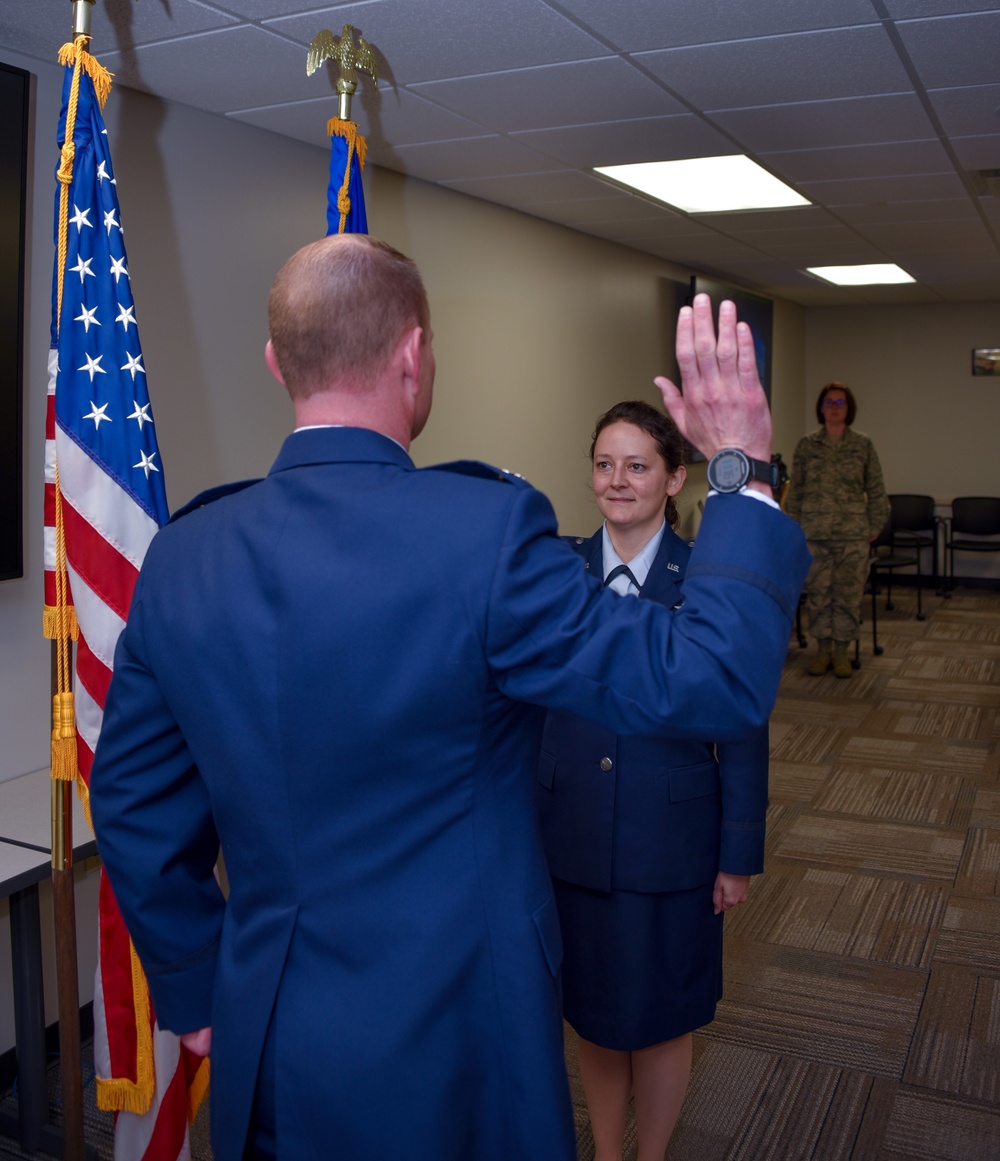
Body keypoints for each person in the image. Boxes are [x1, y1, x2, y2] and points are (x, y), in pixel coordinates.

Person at [89, 233, 810, 1161]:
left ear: (276, 363)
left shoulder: (184, 554)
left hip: (270, 1021)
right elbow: (709, 675)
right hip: (468, 1022)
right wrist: (742, 472)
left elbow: (133, 802)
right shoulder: (486, 532)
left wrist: (193, 981)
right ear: (414, 356)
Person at [537, 400, 768, 1161]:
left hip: (673, 840)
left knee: (664, 1012)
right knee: (595, 1010)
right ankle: (608, 1152)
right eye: (604, 464)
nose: (617, 480)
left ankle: (653, 1153)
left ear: (674, 477)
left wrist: (736, 854)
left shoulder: (708, 579)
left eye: (637, 465)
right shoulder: (555, 575)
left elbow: (739, 723)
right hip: (571, 835)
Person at [786, 381, 889, 678]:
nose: (834, 407)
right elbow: (797, 491)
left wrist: (873, 526)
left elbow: (876, 488)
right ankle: (823, 651)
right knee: (819, 595)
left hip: (852, 533)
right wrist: (794, 529)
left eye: (840, 403)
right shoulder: (807, 445)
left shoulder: (862, 444)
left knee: (848, 595)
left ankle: (842, 652)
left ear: (849, 409)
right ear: (820, 408)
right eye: (829, 402)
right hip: (815, 534)